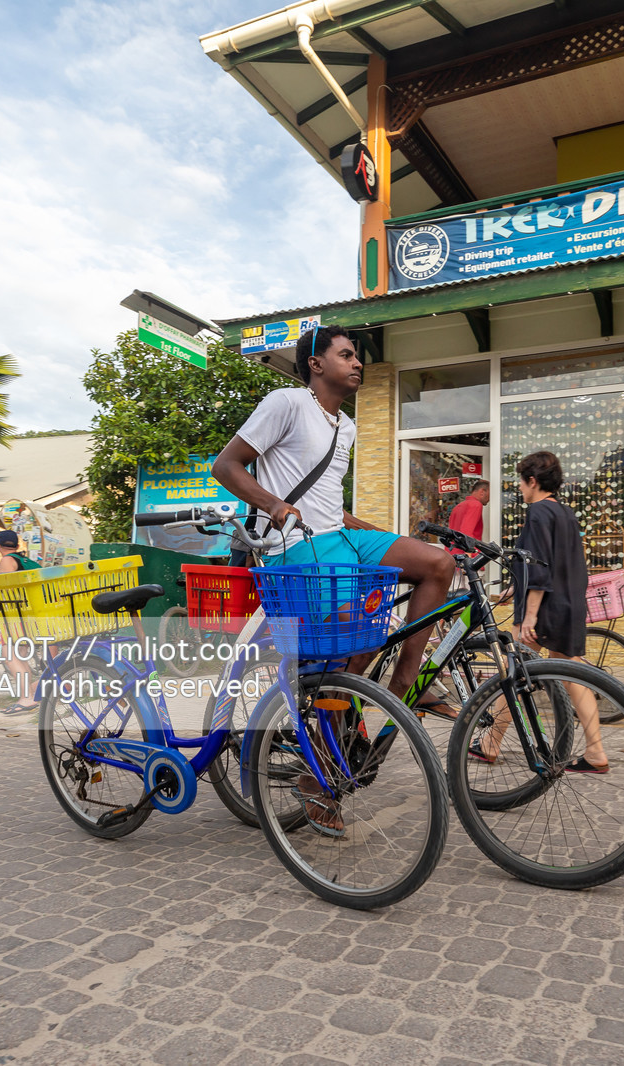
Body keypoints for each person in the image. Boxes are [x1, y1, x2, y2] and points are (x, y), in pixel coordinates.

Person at [214, 325, 457, 833]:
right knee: (354, 629)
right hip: (291, 547)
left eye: (357, 356)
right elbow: (227, 465)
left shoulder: (344, 427)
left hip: (335, 537)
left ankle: (406, 684)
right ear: (316, 364)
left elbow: (324, 495)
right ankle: (317, 763)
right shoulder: (286, 402)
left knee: (439, 564)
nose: (357, 362)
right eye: (346, 354)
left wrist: (359, 523)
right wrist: (275, 505)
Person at [471, 451, 610, 773]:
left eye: (521, 481)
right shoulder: (565, 513)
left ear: (532, 481)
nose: (519, 488)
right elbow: (556, 563)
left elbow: (539, 569)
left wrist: (530, 615)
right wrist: (512, 590)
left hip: (544, 609)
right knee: (572, 674)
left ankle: (491, 742)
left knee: (513, 672)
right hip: (569, 604)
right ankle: (595, 751)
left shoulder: (537, 513)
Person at [0, 529, 42, 716]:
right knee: (19, 656)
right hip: (34, 615)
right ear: (18, 546)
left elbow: (7, 589)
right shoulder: (25, 561)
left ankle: (26, 698)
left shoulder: (7, 561)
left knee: (8, 653)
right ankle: (32, 694)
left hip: (17, 617)